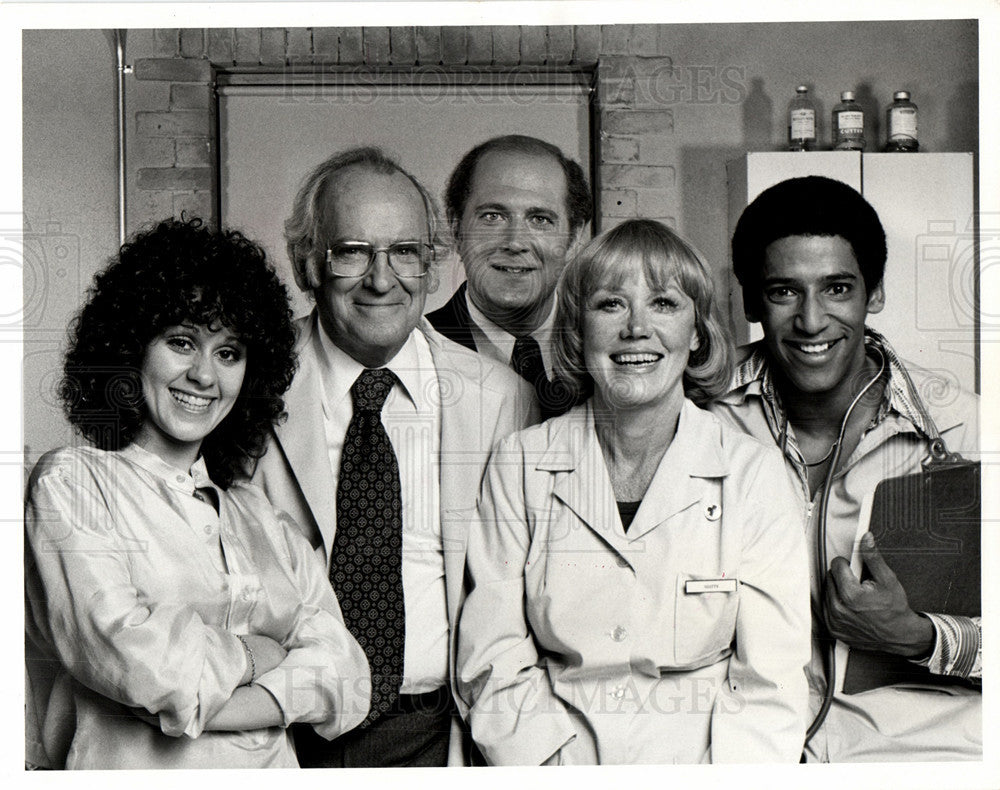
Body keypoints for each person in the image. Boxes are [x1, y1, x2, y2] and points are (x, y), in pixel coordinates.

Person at [457, 218, 811, 764]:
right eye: (611, 304)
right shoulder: (519, 464)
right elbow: (492, 656)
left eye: (664, 304)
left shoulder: (754, 476)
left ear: (696, 334)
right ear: (579, 330)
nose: (637, 329)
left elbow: (771, 683)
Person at [24, 217, 371, 770]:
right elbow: (142, 668)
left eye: (229, 353)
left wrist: (212, 701)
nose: (204, 376)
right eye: (182, 343)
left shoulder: (261, 517)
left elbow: (347, 677)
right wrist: (264, 656)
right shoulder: (71, 485)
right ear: (131, 347)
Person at [252, 147, 537, 767]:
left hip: (439, 734)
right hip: (274, 732)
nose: (383, 280)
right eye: (352, 252)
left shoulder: (500, 400)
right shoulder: (249, 389)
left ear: (432, 268)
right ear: (308, 265)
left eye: (405, 252)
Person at [713, 175, 981, 761]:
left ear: (874, 292)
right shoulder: (694, 418)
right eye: (784, 292)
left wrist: (920, 637)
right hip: (751, 752)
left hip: (924, 755)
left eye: (837, 288)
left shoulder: (970, 432)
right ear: (751, 302)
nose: (812, 321)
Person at [426, 134, 592, 418]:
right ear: (456, 228)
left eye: (540, 220)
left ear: (574, 238)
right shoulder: (411, 353)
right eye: (492, 217)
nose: (515, 242)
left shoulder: (604, 353)